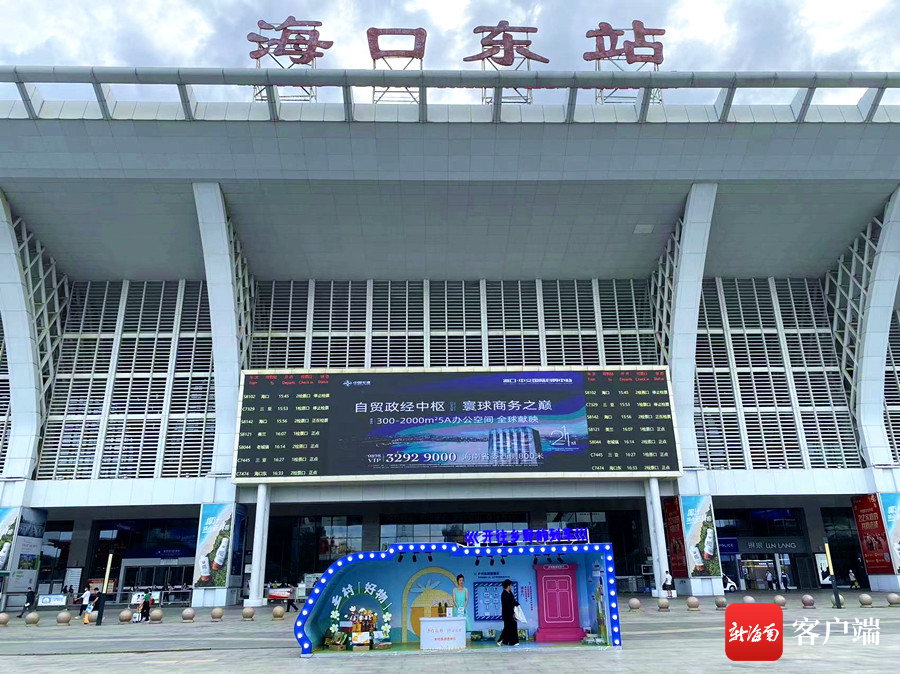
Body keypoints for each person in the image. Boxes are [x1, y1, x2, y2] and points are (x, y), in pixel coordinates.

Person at [497, 579, 520, 647]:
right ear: (508, 586)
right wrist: (513, 604)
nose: (511, 586)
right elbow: (508, 604)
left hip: (512, 613)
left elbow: (513, 600)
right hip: (507, 614)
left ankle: (513, 641)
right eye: (511, 585)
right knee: (507, 627)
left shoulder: (510, 593)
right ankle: (500, 640)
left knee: (513, 626)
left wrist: (517, 604)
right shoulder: (504, 594)